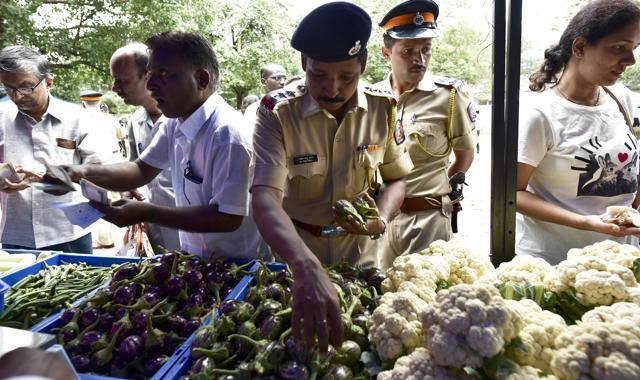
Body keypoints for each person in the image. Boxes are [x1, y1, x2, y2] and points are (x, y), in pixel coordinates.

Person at [252, 2, 413, 352]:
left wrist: (380, 220)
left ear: (364, 65)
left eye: (346, 77)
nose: (332, 89)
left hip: (362, 255)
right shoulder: (276, 113)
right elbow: (264, 196)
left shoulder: (384, 108)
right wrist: (304, 265)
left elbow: (397, 179)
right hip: (296, 253)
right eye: (319, 75)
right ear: (303, 65)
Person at [43, 31, 263, 259]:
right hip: (195, 260)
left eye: (164, 74)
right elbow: (140, 169)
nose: (152, 84)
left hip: (237, 267)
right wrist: (77, 172)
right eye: (150, 74)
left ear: (202, 80)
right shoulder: (173, 122)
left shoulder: (228, 135)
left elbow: (227, 217)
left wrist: (147, 212)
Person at [517, 0, 640, 264]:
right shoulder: (540, 114)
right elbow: (512, 194)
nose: (630, 60)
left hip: (623, 260)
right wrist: (586, 222)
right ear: (580, 47)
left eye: (634, 49)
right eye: (619, 48)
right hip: (556, 263)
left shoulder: (624, 100)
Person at [374, 0, 476, 268]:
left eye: (426, 50)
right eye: (408, 50)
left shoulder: (449, 97)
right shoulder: (372, 99)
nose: (419, 59)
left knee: (425, 300)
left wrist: (434, 194)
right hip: (380, 218)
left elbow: (464, 157)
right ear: (386, 53)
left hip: (427, 220)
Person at [0, 45, 119, 253]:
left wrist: (49, 177)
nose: (17, 96)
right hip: (17, 234)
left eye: (26, 87)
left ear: (48, 82)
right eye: (8, 88)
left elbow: (102, 173)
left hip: (69, 232)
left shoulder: (81, 120)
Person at [110, 42, 180, 252]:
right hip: (154, 228)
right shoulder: (135, 120)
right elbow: (135, 165)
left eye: (122, 80)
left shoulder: (182, 120)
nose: (114, 88)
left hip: (192, 228)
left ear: (149, 76)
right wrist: (128, 189)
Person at [80, 90, 128, 158]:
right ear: (100, 102)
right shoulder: (111, 119)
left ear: (83, 104)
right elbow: (122, 135)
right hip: (112, 161)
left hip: (87, 163)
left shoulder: (78, 121)